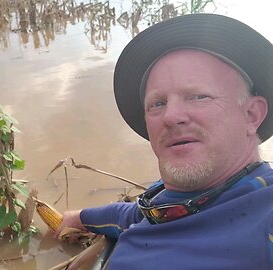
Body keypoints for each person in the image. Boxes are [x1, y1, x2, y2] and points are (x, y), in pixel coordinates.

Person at [55, 13, 273, 269]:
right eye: (158, 104)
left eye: (199, 96)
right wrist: (79, 218)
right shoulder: (173, 202)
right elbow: (138, 214)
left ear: (251, 115)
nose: (171, 116)